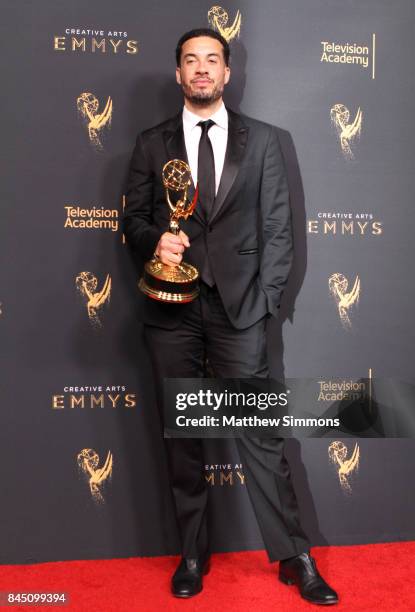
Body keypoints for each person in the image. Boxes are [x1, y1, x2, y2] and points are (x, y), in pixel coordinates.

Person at [123, 28, 339, 605]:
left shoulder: (266, 141)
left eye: (211, 60)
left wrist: (265, 302)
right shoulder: (151, 144)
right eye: (190, 61)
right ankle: (193, 553)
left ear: (227, 72)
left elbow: (278, 229)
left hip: (239, 312)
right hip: (170, 311)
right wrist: (154, 246)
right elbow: (135, 222)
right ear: (177, 74)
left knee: (261, 438)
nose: (201, 70)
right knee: (182, 438)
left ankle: (295, 556)